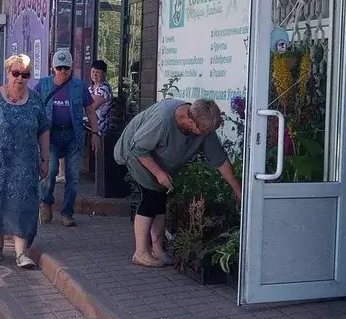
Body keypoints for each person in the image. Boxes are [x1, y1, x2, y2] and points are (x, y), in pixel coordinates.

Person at [114, 97, 242, 267]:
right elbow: (138, 148)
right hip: (136, 154)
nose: (205, 135)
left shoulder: (204, 124)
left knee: (160, 199)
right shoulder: (163, 119)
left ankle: (158, 251)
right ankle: (141, 252)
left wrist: (238, 191)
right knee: (151, 197)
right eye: (202, 131)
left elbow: (219, 160)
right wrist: (159, 173)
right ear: (190, 122)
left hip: (156, 158)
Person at [0, 54, 50, 268]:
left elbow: (43, 130)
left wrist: (45, 159)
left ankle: (21, 253)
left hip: (25, 164)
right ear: (7, 73)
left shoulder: (35, 100)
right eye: (15, 73)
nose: (20, 78)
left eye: (25, 74)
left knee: (25, 204)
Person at [36, 49, 99, 227]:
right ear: (53, 68)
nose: (63, 71)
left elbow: (90, 110)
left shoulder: (79, 86)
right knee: (50, 171)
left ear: (72, 68)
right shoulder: (43, 85)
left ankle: (67, 213)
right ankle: (46, 202)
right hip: (51, 136)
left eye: (66, 68)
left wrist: (95, 133)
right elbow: (33, 107)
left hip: (73, 135)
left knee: (73, 176)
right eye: (59, 68)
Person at [85, 59, 115, 139]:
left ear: (104, 73)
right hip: (89, 127)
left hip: (99, 130)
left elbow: (91, 107)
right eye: (93, 72)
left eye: (97, 72)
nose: (94, 75)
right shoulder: (91, 88)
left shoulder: (104, 89)